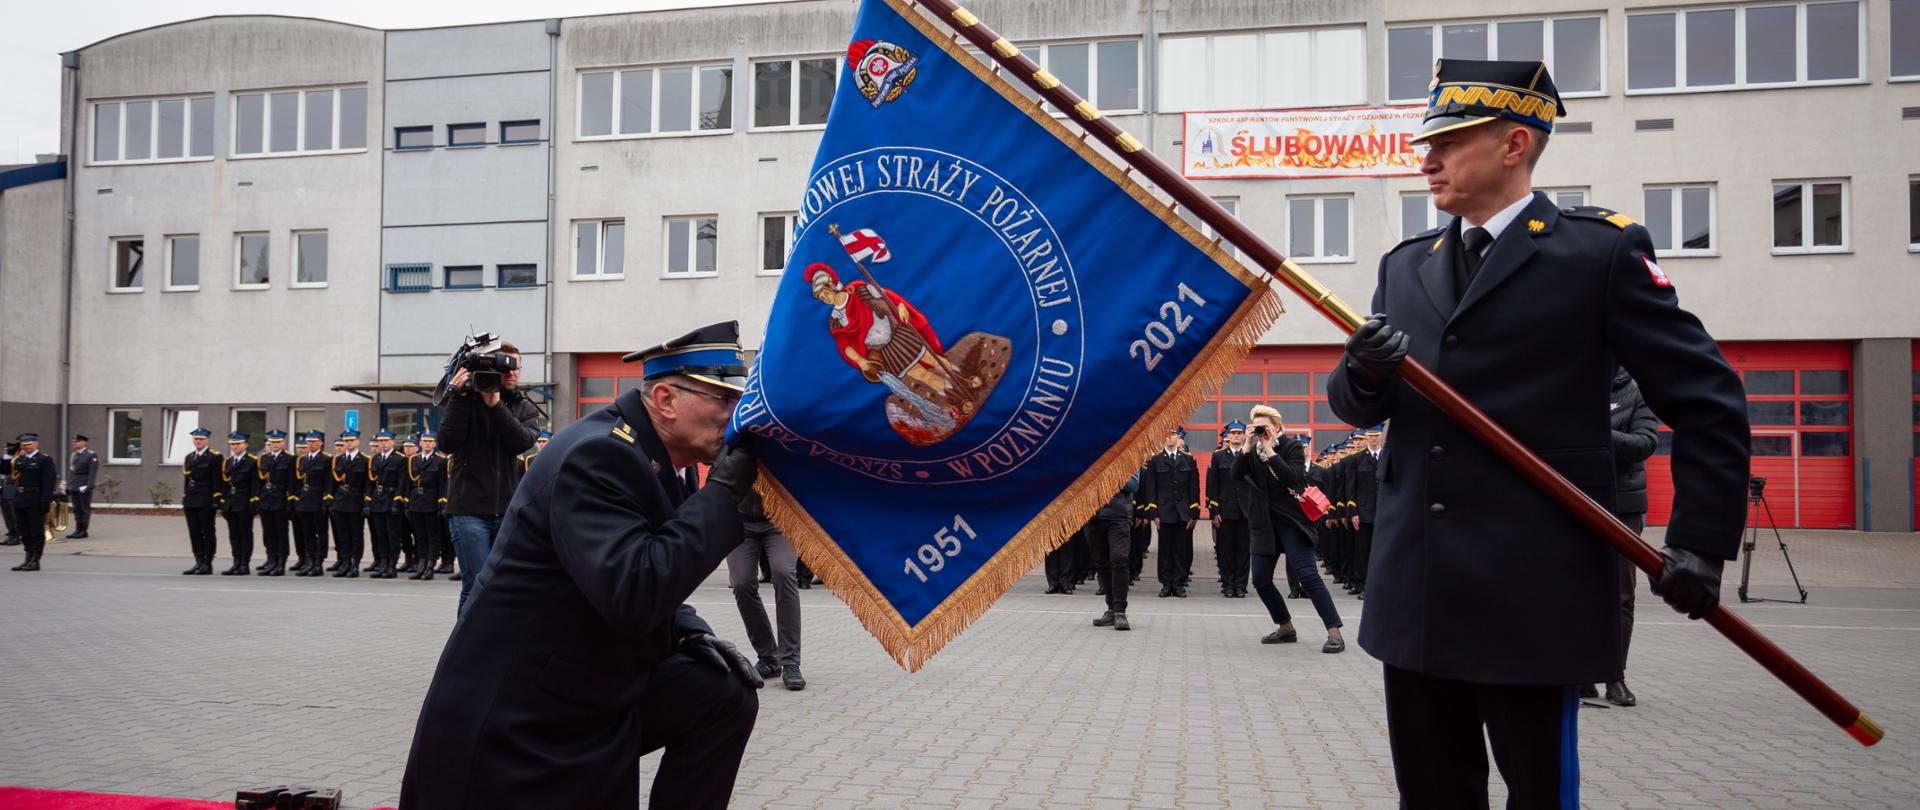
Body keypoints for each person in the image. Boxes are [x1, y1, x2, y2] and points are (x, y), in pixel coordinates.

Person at [1326, 58, 1750, 806]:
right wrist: (1361, 371)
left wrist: (1701, 542)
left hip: (1532, 594)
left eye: (1448, 143)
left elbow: (1708, 399)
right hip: (1419, 591)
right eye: (1429, 145)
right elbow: (1360, 409)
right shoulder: (1406, 265)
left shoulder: (1598, 253)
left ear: (1514, 144)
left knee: (1539, 794)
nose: (1427, 161)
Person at [399, 321, 762, 809]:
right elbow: (632, 592)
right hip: (520, 724)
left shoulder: (653, 456)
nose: (738, 415)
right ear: (666, 400)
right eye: (725, 399)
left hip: (579, 687)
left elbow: (627, 563)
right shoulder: (598, 455)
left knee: (721, 692)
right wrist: (722, 494)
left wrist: (689, 630)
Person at [440, 339, 541, 615]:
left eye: (516, 368)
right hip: (468, 510)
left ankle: (492, 639)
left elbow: (522, 442)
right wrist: (457, 396)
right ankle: (465, 642)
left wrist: (495, 406)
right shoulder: (466, 400)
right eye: (505, 367)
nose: (512, 373)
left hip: (506, 510)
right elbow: (447, 443)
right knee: (475, 584)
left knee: (500, 584)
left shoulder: (523, 406)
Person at [1234, 407, 1345, 653]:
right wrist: (1247, 445)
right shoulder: (1252, 450)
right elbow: (1236, 474)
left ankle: (1334, 632)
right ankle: (1286, 627)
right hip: (1264, 524)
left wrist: (1271, 451)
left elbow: (1292, 477)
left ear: (1277, 426)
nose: (1261, 431)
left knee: (1308, 576)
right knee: (1261, 579)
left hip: (1292, 522)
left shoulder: (1292, 447)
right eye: (1256, 427)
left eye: (1264, 426)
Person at [1588, 367, 1660, 708]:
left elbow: (1645, 443)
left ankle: (1614, 676)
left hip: (1622, 506)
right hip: (1576, 500)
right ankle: (1582, 675)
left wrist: (1597, 434)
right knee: (1578, 592)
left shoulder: (1635, 391)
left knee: (1620, 593)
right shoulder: (1571, 383)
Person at [729, 489, 806, 690]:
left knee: (783, 573)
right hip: (739, 521)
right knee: (741, 583)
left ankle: (790, 662)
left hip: (781, 519)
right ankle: (768, 658)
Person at [1141, 427, 1198, 598]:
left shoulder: (1188, 459)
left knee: (1181, 549)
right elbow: (1151, 488)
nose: (1170, 438)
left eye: (1173, 434)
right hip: (1164, 511)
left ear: (1178, 437)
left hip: (1182, 512)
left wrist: (1194, 512)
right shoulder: (1155, 460)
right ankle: (1166, 584)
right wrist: (1153, 513)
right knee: (1165, 550)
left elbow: (1193, 487)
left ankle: (1179, 584)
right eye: (1167, 434)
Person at [1331, 428, 1384, 598]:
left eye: (1376, 436)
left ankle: (1381, 587)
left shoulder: (1387, 457)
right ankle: (1364, 586)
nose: (1374, 439)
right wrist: (1352, 512)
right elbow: (1350, 488)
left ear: (1381, 436)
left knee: (1382, 552)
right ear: (1367, 437)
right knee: (1363, 552)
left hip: (1384, 512)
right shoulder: (1357, 459)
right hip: (1363, 513)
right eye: (1371, 436)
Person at [1088, 472, 1139, 631]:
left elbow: (1133, 485)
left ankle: (1120, 611)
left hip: (1119, 516)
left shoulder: (1127, 458)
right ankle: (1111, 608)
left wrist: (1110, 469)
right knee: (1101, 563)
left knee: (1119, 559)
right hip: (1093, 514)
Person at [1206, 421, 1252, 598]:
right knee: (1225, 550)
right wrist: (1214, 511)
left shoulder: (1250, 455)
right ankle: (1228, 585)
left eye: (1239, 433)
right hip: (1225, 509)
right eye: (1233, 433)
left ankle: (1240, 585)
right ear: (1228, 436)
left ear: (1244, 436)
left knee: (1244, 550)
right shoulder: (1218, 456)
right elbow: (1213, 484)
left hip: (1245, 510)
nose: (1236, 436)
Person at [404, 433, 449, 581]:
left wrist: (442, 502)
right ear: (420, 444)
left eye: (430, 441)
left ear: (435, 444)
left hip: (431, 501)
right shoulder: (414, 459)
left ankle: (430, 565)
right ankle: (421, 564)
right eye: (425, 441)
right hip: (416, 501)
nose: (427, 444)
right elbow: (409, 483)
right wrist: (406, 502)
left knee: (432, 536)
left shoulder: (440, 461)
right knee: (419, 536)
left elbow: (443, 484)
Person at [8, 434, 56, 571]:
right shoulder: (20, 460)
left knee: (36, 531)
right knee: (24, 530)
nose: (26, 447)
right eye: (23, 445)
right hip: (20, 498)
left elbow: (49, 481)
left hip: (35, 498)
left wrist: (45, 500)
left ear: (36, 444)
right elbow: (10, 475)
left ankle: (36, 560)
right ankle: (28, 558)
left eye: (29, 444)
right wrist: (12, 456)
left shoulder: (44, 459)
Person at [180, 427, 222, 576]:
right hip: (191, 499)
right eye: (196, 439)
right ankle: (198, 560)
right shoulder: (189, 457)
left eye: (201, 439)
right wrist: (185, 495)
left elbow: (218, 479)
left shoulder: (215, 456)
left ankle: (207, 563)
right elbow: (187, 479)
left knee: (207, 531)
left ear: (207, 440)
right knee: (194, 532)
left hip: (206, 498)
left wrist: (217, 498)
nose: (198, 441)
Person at [217, 433, 260, 575]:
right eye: (233, 444)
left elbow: (255, 483)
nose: (235, 447)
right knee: (234, 535)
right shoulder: (228, 462)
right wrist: (222, 502)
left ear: (245, 445)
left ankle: (244, 564)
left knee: (245, 534)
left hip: (244, 502)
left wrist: (254, 500)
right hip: (231, 503)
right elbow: (224, 484)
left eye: (238, 444)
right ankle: (236, 562)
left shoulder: (252, 461)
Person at [329, 431, 369, 578]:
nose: (349, 443)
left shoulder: (364, 460)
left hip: (356, 501)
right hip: (340, 501)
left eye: (351, 440)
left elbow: (367, 483)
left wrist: (366, 502)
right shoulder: (338, 460)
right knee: (343, 535)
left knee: (356, 535)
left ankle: (355, 563)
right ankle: (345, 562)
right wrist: (331, 500)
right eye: (346, 441)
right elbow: (333, 483)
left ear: (358, 442)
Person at [292, 431, 332, 577]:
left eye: (314, 441)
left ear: (321, 443)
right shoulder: (303, 460)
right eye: (309, 441)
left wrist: (326, 498)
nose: (311, 444)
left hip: (318, 499)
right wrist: (297, 499)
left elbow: (329, 481)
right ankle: (309, 560)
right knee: (307, 533)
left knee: (320, 533)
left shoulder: (326, 459)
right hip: (304, 500)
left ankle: (318, 562)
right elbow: (298, 482)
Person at [256, 430, 295, 576]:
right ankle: (271, 560)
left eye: (278, 442)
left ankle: (281, 562)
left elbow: (291, 482)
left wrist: (290, 501)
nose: (275, 445)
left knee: (281, 532)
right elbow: (259, 481)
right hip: (266, 499)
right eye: (273, 442)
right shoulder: (264, 458)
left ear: (283, 442)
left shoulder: (290, 458)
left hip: (280, 498)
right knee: (269, 532)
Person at [367, 430, 403, 579]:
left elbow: (401, 483)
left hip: (391, 499)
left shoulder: (399, 459)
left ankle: (392, 565)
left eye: (386, 441)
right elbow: (370, 482)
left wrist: (397, 501)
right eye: (380, 441)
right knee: (380, 535)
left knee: (392, 535)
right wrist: (368, 501)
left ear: (393, 442)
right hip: (377, 500)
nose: (383, 444)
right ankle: (383, 563)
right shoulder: (375, 459)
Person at [65, 434, 99, 538]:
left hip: (84, 485)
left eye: (77, 441)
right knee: (76, 508)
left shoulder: (91, 455)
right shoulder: (74, 455)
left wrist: (89, 486)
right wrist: (68, 485)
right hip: (74, 484)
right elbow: (72, 471)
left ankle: (83, 531)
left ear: (84, 442)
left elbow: (92, 472)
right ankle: (77, 530)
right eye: (74, 441)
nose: (74, 443)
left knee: (84, 508)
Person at [1, 441, 20, 546]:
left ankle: (16, 535)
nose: (6, 451)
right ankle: (11, 534)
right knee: (6, 514)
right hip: (4, 489)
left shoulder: (17, 460)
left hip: (12, 489)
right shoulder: (5, 460)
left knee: (13, 514)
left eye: (8, 450)